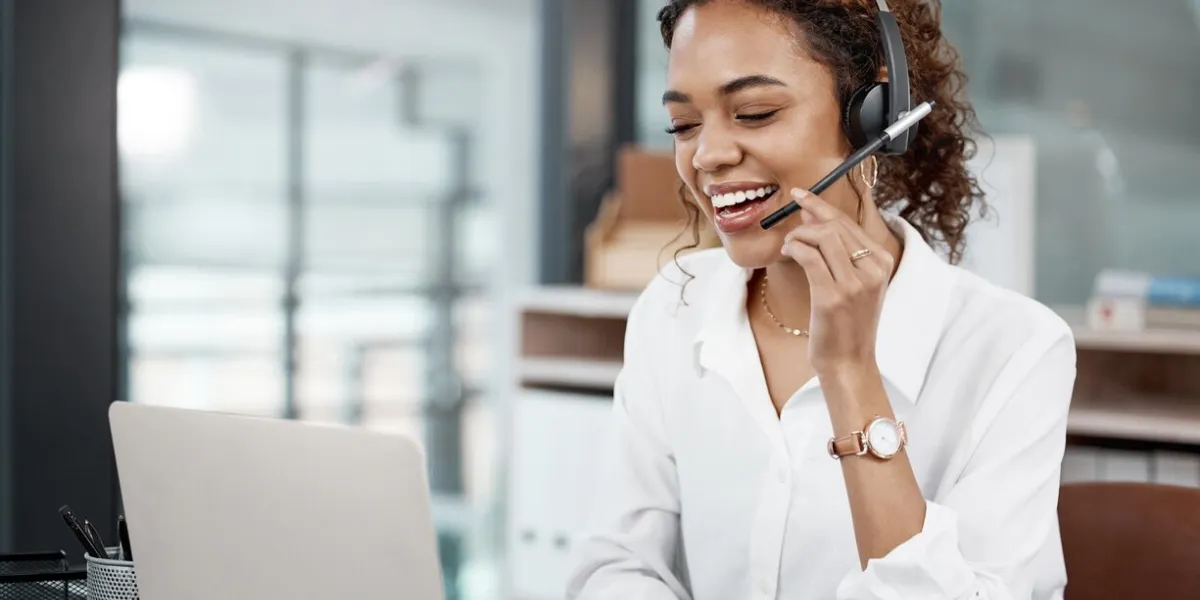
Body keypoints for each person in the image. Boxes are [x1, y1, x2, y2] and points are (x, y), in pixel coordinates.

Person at [565, 1, 1076, 599]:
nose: (706, 155)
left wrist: (852, 373)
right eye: (684, 125)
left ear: (872, 115)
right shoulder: (674, 310)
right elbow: (615, 567)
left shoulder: (1013, 349)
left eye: (754, 113)